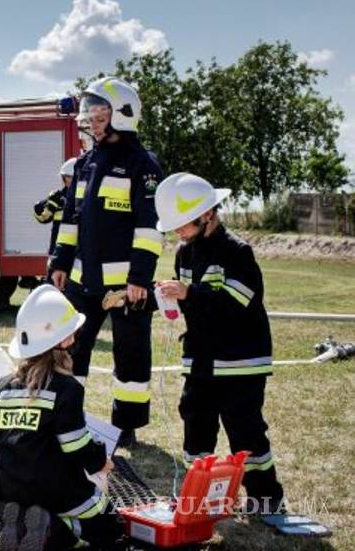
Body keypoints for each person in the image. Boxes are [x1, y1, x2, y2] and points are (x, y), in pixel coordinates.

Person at [154, 173, 284, 515]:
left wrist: (189, 294)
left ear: (207, 214)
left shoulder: (237, 252)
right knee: (196, 424)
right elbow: (191, 305)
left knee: (246, 431)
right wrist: (169, 297)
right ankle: (199, 498)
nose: (177, 232)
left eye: (183, 224)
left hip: (240, 359)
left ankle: (266, 500)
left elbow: (236, 306)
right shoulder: (184, 254)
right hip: (201, 359)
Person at [49, 77, 164, 446]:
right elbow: (70, 220)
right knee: (71, 350)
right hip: (83, 282)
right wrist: (60, 263)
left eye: (99, 116)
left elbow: (150, 228)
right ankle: (69, 415)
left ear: (123, 116)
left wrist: (139, 278)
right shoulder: (85, 163)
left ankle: (126, 426)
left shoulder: (142, 165)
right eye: (90, 116)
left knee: (130, 355)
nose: (92, 124)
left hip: (126, 287)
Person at [0, 285, 124, 550]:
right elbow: (75, 446)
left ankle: (22, 523)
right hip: (57, 490)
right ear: (64, 341)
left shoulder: (4, 386)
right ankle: (52, 530)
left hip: (12, 489)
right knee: (110, 523)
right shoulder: (67, 388)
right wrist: (101, 461)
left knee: (39, 504)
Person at [34, 157, 77, 275]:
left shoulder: (84, 199)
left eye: (70, 177)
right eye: (66, 177)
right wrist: (47, 205)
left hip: (77, 255)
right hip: (57, 252)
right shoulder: (58, 198)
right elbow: (42, 218)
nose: (68, 181)